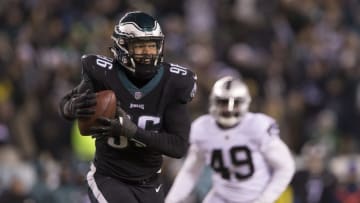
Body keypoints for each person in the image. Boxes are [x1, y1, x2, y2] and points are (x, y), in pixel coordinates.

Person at [58, 11, 197, 203]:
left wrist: (133, 132)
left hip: (150, 183)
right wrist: (72, 107)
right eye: (140, 46)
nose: (148, 52)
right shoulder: (103, 74)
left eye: (152, 45)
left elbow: (178, 146)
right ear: (122, 46)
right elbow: (65, 104)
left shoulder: (174, 83)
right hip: (109, 177)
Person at [165, 76, 295, 203]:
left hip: (255, 196)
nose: (229, 108)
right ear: (214, 102)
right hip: (221, 196)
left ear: (245, 103)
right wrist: (171, 200)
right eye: (223, 102)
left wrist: (265, 199)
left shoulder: (257, 126)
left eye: (235, 102)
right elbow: (191, 171)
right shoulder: (203, 128)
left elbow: (286, 167)